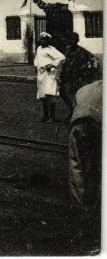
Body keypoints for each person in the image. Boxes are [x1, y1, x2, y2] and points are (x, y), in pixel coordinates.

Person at [68, 80, 101, 211]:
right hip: (98, 124)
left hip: (78, 126)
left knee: (76, 164)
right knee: (96, 165)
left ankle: (79, 203)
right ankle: (95, 203)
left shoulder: (85, 89)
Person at [59, 32, 99, 117]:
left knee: (78, 95)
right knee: (63, 92)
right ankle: (72, 109)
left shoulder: (82, 51)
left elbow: (93, 60)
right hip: (68, 75)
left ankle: (76, 112)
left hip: (79, 77)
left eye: (75, 40)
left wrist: (85, 67)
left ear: (77, 40)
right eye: (71, 40)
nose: (73, 41)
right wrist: (62, 74)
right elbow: (64, 63)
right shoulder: (67, 50)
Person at [34, 32, 65, 122]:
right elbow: (36, 58)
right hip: (41, 74)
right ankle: (45, 116)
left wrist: (52, 65)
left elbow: (61, 57)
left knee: (50, 94)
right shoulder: (39, 48)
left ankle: (52, 117)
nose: (43, 41)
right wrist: (35, 66)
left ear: (48, 41)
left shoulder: (51, 49)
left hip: (49, 74)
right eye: (42, 39)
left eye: (45, 40)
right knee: (42, 95)